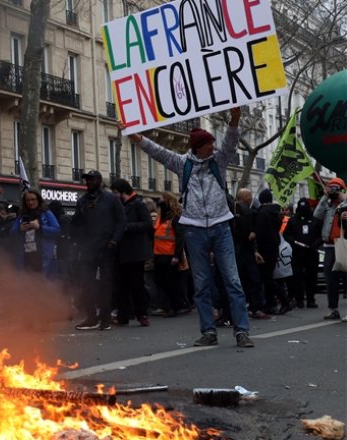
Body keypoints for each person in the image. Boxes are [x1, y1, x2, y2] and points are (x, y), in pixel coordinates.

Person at [124, 107, 254, 347]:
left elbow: (231, 141)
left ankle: (241, 331)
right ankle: (208, 332)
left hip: (220, 227)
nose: (213, 148)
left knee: (232, 281)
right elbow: (158, 152)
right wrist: (138, 138)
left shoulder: (219, 161)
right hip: (194, 230)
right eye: (208, 144)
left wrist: (234, 120)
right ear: (198, 146)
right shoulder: (182, 164)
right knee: (202, 283)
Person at [71, 170, 126, 331]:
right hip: (88, 248)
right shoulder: (82, 201)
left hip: (106, 247)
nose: (88, 182)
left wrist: (114, 240)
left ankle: (105, 318)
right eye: (86, 180)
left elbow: (121, 220)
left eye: (91, 179)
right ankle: (91, 317)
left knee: (105, 284)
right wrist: (76, 240)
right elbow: (76, 224)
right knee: (87, 283)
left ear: (99, 181)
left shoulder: (111, 199)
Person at [110, 179, 154, 326]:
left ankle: (141, 314)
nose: (114, 195)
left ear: (123, 191)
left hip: (135, 252)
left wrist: (127, 227)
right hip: (120, 252)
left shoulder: (138, 204)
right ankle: (123, 315)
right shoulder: (118, 206)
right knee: (121, 286)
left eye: (116, 192)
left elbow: (147, 224)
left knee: (137, 285)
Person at [313, 177, 347, 320]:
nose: (333, 191)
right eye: (331, 188)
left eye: (336, 189)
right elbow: (316, 215)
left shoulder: (345, 204)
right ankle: (333, 309)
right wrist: (325, 197)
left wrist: (344, 199)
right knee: (330, 280)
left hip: (344, 245)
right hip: (329, 246)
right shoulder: (328, 204)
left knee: (346, 278)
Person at [255, 189, 290, 315]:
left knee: (267, 278)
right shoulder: (276, 213)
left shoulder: (262, 214)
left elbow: (260, 232)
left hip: (265, 248)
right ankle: (270, 304)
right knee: (268, 277)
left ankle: (284, 301)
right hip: (274, 246)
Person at [234, 188, 268, 319]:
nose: (251, 198)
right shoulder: (243, 212)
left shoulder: (247, 211)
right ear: (244, 197)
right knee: (251, 279)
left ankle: (250, 306)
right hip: (242, 249)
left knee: (248, 279)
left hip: (245, 249)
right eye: (249, 196)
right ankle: (254, 306)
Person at [10, 190, 60, 278]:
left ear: (38, 200)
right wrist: (19, 229)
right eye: (27, 200)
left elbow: (56, 230)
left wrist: (39, 227)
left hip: (43, 257)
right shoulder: (21, 215)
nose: (30, 202)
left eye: (33, 199)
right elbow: (12, 232)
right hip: (25, 257)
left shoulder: (46, 213)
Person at [153, 192, 188, 317]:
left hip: (169, 255)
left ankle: (175, 307)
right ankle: (170, 306)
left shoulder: (175, 218)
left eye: (162, 199)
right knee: (161, 282)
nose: (160, 201)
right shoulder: (160, 218)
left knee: (171, 283)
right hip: (158, 254)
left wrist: (177, 256)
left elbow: (180, 238)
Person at [283, 197, 322, 309]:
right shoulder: (293, 221)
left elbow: (321, 236)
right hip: (297, 253)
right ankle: (299, 299)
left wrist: (315, 244)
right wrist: (293, 242)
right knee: (297, 277)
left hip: (311, 253)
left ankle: (311, 299)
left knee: (311, 276)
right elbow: (286, 235)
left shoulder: (315, 221)